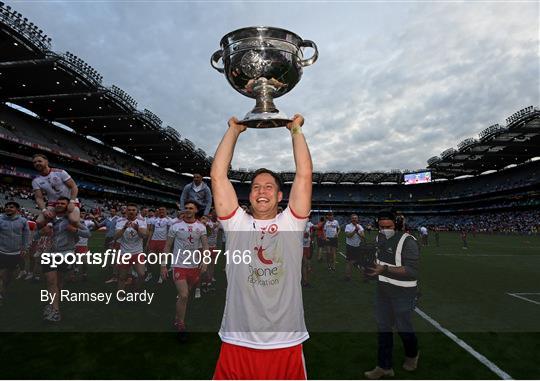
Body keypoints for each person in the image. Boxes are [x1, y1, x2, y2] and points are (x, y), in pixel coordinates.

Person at [211, 114, 312, 379]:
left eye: (269, 187)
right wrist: (233, 131)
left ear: (280, 196)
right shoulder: (236, 224)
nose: (261, 191)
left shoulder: (291, 224)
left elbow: (304, 175)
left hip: (285, 341)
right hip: (237, 339)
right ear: (249, 195)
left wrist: (296, 131)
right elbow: (218, 177)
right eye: (256, 187)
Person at [364, 210, 420, 379]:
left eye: (387, 226)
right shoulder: (379, 239)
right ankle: (384, 366)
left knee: (404, 328)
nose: (384, 229)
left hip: (404, 292)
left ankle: (412, 354)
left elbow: (412, 271)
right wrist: (369, 268)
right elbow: (379, 263)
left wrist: (385, 269)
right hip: (383, 290)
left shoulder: (408, 241)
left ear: (396, 224)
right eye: (381, 227)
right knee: (383, 328)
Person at [161, 200, 208, 341]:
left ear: (196, 210)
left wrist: (205, 261)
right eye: (186, 208)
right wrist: (163, 265)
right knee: (184, 295)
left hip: (194, 267)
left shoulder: (201, 227)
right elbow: (167, 246)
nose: (188, 210)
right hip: (179, 265)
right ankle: (180, 324)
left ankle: (177, 316)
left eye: (191, 208)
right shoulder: (175, 226)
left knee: (186, 295)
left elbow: (205, 246)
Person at [38, 197, 91, 322]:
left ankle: (52, 305)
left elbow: (88, 234)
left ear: (68, 206)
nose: (60, 205)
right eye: (58, 203)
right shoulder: (49, 218)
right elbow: (38, 231)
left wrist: (75, 230)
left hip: (66, 254)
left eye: (63, 203)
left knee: (59, 283)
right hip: (50, 254)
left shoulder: (73, 220)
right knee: (51, 281)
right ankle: (55, 310)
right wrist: (42, 231)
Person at [31, 154, 80, 228]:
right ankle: (47, 237)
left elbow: (74, 187)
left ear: (46, 162)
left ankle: (80, 236)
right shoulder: (36, 181)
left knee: (74, 220)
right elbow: (39, 198)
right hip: (53, 204)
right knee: (39, 222)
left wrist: (72, 202)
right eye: (34, 162)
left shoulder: (60, 172)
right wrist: (44, 210)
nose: (37, 163)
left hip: (69, 201)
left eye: (39, 161)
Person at [0, 201, 30, 306]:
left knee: (8, 275)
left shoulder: (23, 221)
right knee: (1, 274)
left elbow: (26, 236)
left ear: (17, 210)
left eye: (11, 207)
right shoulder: (0, 219)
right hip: (1, 251)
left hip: (15, 253)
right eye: (7, 207)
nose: (8, 208)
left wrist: (25, 248)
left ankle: (4, 290)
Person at [114, 203, 148, 291]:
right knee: (122, 277)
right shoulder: (120, 221)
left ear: (137, 211)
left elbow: (144, 235)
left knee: (141, 274)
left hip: (137, 252)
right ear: (126, 211)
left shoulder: (142, 221)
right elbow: (116, 237)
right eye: (129, 210)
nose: (131, 212)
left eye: (133, 210)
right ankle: (120, 294)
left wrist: (137, 229)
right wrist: (124, 228)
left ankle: (135, 290)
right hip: (124, 253)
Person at [344, 214, 365, 281]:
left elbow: (363, 237)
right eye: (353, 218)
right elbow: (348, 236)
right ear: (351, 219)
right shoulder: (348, 226)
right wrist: (355, 230)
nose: (354, 219)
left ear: (357, 219)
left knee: (361, 262)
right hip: (350, 246)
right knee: (349, 262)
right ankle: (348, 277)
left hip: (358, 246)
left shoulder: (360, 227)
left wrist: (358, 232)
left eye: (355, 218)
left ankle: (364, 278)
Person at [302, 216, 314, 287]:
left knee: (304, 264)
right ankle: (304, 281)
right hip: (300, 247)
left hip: (307, 246)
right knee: (303, 264)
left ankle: (304, 281)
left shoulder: (309, 224)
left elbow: (316, 227)